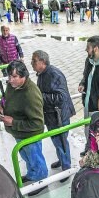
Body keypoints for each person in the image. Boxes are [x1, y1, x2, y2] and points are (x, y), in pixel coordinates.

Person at [0, 61, 48, 192]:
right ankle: (32, 175)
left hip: (31, 135)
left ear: (24, 76)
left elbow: (37, 123)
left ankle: (42, 182)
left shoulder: (31, 94)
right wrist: (0, 106)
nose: (10, 80)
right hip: (19, 133)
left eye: (14, 77)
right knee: (27, 157)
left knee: (36, 160)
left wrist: (13, 122)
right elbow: (5, 99)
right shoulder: (12, 85)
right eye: (9, 76)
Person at [32, 50, 75, 179]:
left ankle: (66, 168)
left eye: (34, 61)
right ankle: (62, 160)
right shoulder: (42, 74)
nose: (31, 63)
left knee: (61, 142)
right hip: (51, 116)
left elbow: (61, 97)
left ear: (43, 62)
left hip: (59, 116)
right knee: (57, 141)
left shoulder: (54, 74)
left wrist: (40, 96)